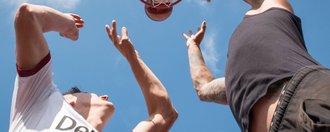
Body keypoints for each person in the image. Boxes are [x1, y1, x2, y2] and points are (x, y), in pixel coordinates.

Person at [10, 3, 177, 132]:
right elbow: (28, 15)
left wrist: (133, 57)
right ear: (69, 100)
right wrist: (67, 24)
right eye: (94, 95)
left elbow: (166, 114)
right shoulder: (38, 101)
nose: (104, 96)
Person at [182, 0, 330, 132]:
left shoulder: (273, 6)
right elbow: (203, 88)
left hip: (309, 92)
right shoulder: (237, 84)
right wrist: (192, 46)